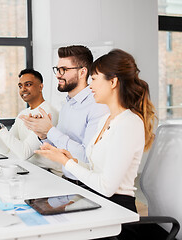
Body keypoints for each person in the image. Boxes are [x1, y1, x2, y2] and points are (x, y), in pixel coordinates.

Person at [35, 49, 156, 239]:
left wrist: (68, 163)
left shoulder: (129, 123)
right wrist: (66, 157)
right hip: (96, 202)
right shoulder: (106, 119)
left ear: (113, 82)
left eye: (95, 78)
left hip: (117, 214)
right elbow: (93, 167)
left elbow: (107, 186)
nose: (90, 85)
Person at [20, 45, 109, 185]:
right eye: (57, 69)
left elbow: (87, 158)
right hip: (67, 180)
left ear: (82, 72)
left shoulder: (97, 106)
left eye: (64, 70)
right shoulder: (67, 105)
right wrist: (43, 134)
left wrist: (50, 130)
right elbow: (59, 148)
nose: (57, 75)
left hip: (87, 185)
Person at [0, 69, 61, 174]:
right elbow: (5, 149)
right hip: (30, 170)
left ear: (41, 86)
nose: (23, 89)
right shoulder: (23, 114)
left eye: (28, 84)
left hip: (49, 174)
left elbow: (24, 153)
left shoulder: (48, 112)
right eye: (20, 86)